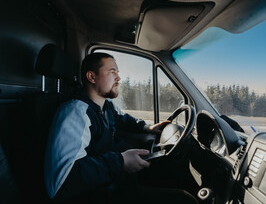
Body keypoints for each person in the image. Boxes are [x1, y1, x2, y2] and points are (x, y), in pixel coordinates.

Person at [44, 52, 198, 204]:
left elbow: (123, 119)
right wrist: (120, 161)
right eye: (112, 72)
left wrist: (148, 127)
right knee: (183, 200)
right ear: (91, 77)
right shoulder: (75, 112)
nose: (118, 78)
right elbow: (63, 180)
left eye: (117, 72)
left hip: (113, 183)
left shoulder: (106, 106)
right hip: (97, 195)